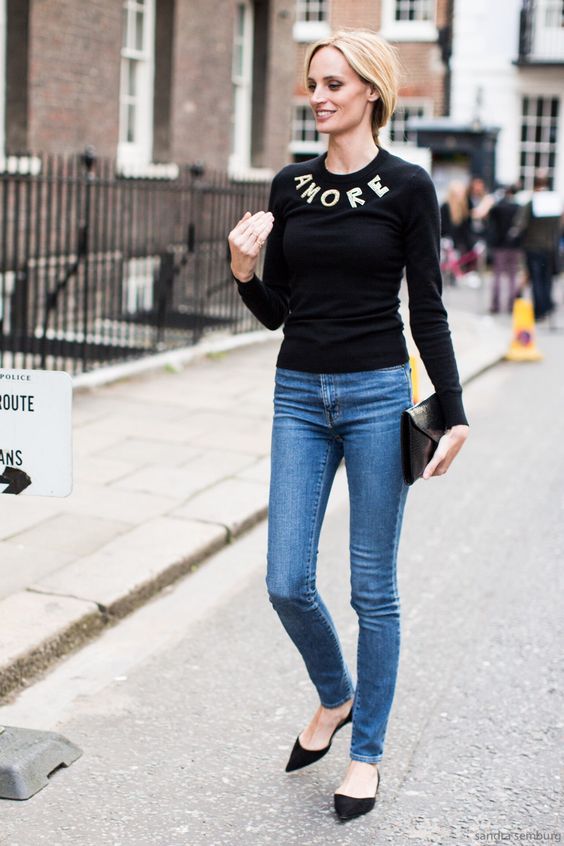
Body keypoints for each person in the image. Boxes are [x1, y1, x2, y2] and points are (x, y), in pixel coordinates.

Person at [228, 28, 469, 822]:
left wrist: (453, 413)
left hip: (374, 394)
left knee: (374, 590)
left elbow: (426, 309)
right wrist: (242, 275)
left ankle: (365, 752)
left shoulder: (407, 187)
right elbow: (281, 313)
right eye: (314, 84)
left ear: (370, 89)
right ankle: (334, 696)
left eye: (334, 83)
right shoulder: (290, 186)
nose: (320, 96)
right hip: (298, 393)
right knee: (285, 580)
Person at [510, 171, 563, 321]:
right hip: (549, 246)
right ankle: (547, 305)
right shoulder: (553, 202)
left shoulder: (532, 202)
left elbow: (519, 224)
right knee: (547, 279)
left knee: (536, 279)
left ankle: (539, 310)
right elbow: (559, 224)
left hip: (532, 246)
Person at [487, 184, 523, 313]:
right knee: (513, 277)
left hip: (499, 244)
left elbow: (489, 220)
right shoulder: (519, 207)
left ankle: (495, 305)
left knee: (497, 276)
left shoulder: (498, 207)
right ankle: (511, 305)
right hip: (514, 245)